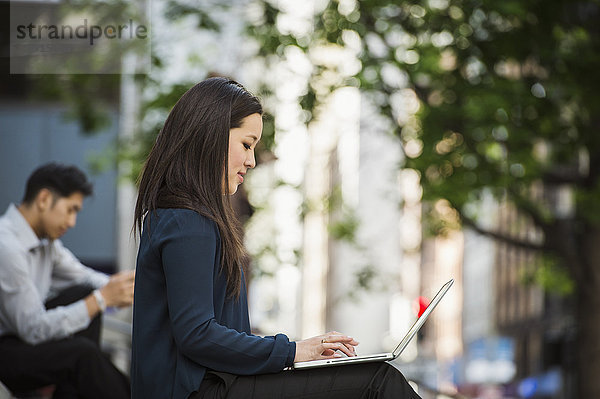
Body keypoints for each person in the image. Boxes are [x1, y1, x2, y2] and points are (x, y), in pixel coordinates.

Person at [131, 77, 422, 399]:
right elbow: (197, 334)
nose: (251, 161)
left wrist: (285, 353)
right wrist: (293, 351)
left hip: (212, 385)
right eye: (246, 144)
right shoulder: (188, 221)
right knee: (377, 381)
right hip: (201, 391)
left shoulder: (180, 217)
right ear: (210, 136)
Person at [0, 162, 134, 399]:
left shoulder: (47, 244)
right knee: (83, 354)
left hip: (24, 339)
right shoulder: (6, 245)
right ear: (44, 199)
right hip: (7, 351)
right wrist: (102, 299)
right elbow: (32, 329)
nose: (72, 222)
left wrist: (127, 288)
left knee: (83, 292)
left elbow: (87, 278)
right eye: (70, 210)